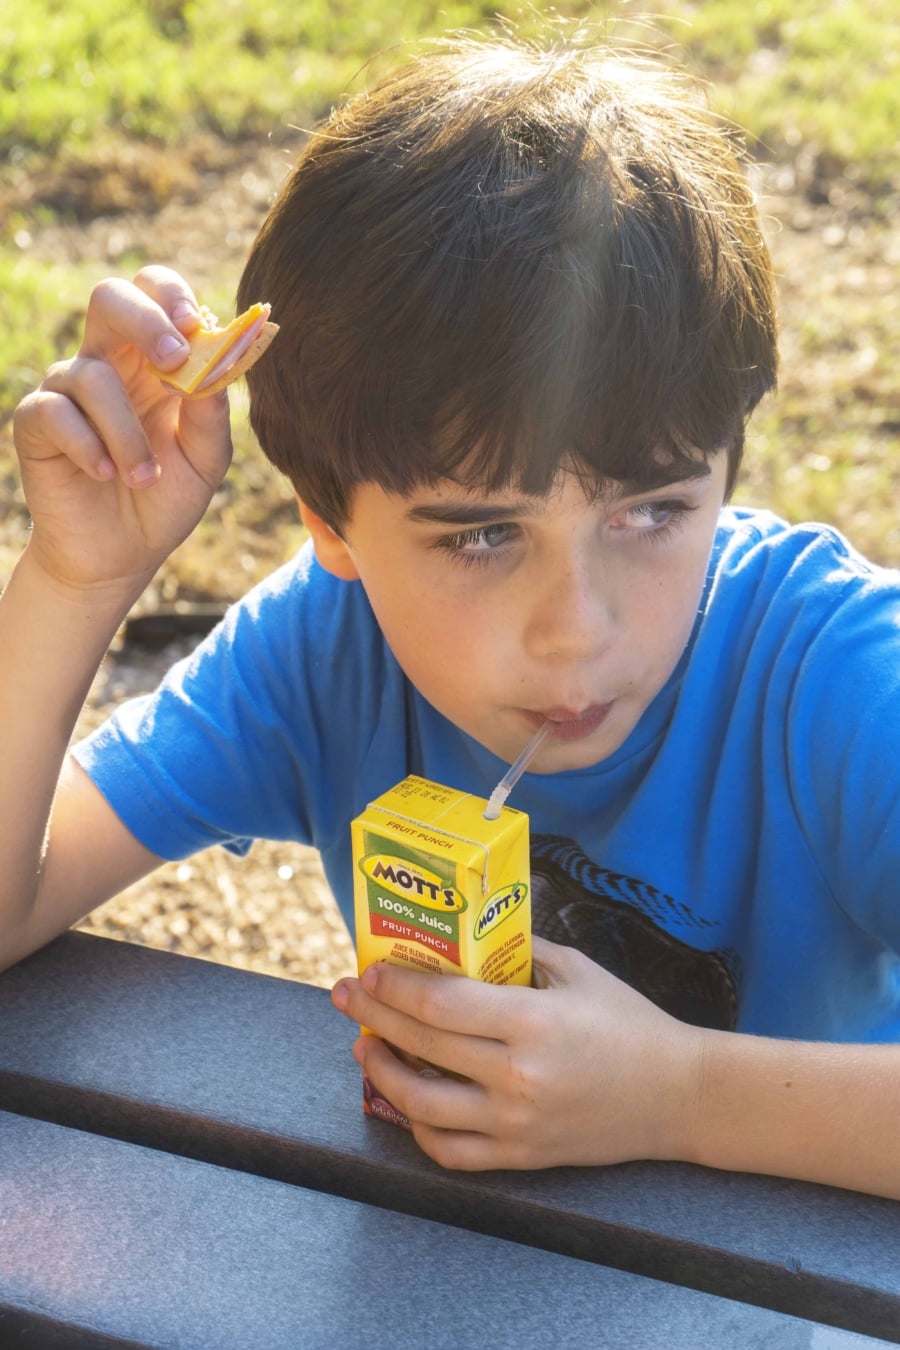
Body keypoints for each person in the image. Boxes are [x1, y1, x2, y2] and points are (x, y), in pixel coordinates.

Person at [3, 33, 899, 1197]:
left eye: (653, 512)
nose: (576, 629)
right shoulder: (328, 653)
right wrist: (75, 580)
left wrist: (680, 1094)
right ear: (330, 526)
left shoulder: (831, 678)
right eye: (482, 534)